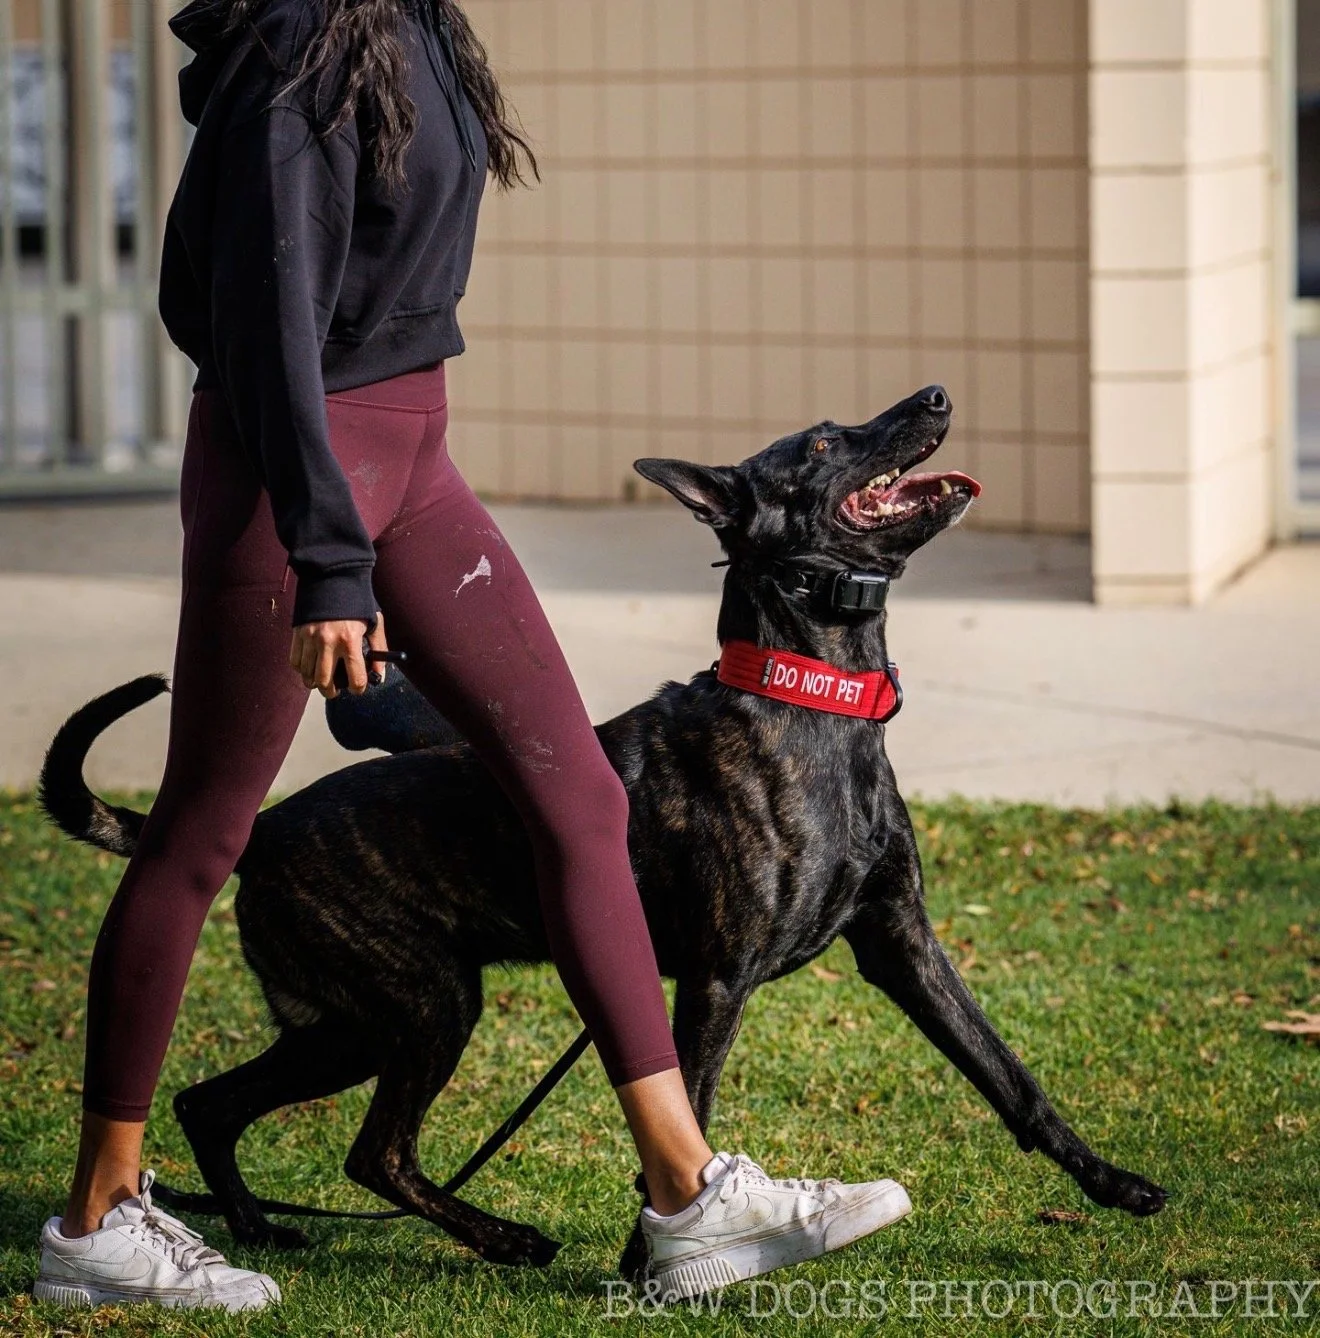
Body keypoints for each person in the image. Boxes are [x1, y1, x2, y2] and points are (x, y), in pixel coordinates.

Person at [32, 0, 911, 1312]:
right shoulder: (297, 54)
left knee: (580, 796)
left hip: (411, 464)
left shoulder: (414, 26)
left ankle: (688, 1197)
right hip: (293, 481)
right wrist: (331, 557)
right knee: (201, 834)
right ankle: (98, 1220)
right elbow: (258, 329)